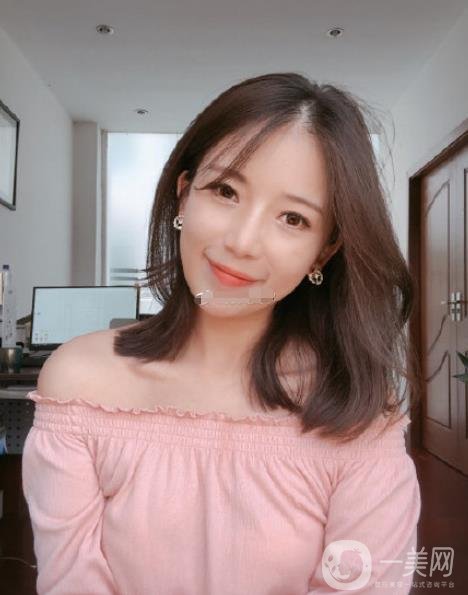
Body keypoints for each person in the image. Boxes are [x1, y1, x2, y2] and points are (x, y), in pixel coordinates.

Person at [22, 72, 422, 594]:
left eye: (293, 219)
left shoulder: (355, 408)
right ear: (183, 197)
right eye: (226, 190)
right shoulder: (79, 383)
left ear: (324, 251)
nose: (243, 242)